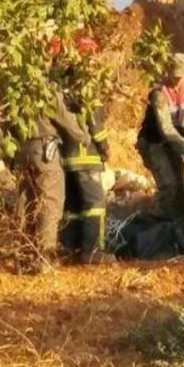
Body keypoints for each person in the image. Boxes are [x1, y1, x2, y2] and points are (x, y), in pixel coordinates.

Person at [14, 90, 89, 273]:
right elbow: (67, 122)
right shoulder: (46, 91)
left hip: (21, 149)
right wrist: (84, 136)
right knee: (50, 202)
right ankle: (44, 258)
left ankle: (22, 255)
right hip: (44, 150)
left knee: (27, 201)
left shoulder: (15, 87)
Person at [137, 53, 184, 237]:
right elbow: (166, 129)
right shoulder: (159, 94)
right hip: (154, 143)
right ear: (168, 72)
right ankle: (159, 230)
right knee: (169, 186)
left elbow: (181, 121)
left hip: (170, 143)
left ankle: (180, 230)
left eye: (181, 77)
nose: (177, 81)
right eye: (175, 76)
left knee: (182, 190)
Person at [59, 101, 111, 264]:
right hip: (86, 155)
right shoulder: (86, 88)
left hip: (66, 156)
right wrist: (105, 147)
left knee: (73, 206)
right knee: (95, 204)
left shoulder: (59, 87)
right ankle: (93, 251)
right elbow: (94, 123)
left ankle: (71, 249)